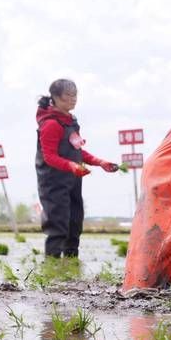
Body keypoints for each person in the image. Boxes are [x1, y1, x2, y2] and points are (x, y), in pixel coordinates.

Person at [35, 78, 119, 258]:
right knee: (57, 223)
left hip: (72, 180)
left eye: (75, 95)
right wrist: (71, 165)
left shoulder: (70, 122)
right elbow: (49, 156)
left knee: (74, 221)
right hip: (53, 181)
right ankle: (53, 265)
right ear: (56, 97)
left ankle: (72, 262)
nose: (73, 99)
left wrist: (100, 162)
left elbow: (78, 150)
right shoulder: (50, 124)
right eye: (68, 95)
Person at [122, 119, 171, 292]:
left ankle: (145, 288)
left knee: (156, 244)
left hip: (158, 167)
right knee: (146, 282)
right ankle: (146, 290)